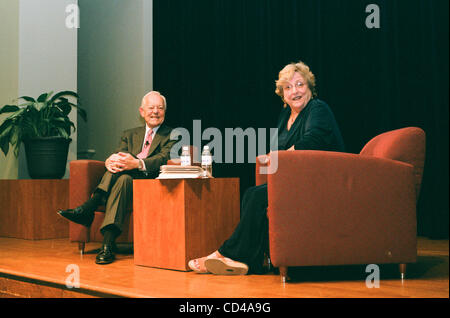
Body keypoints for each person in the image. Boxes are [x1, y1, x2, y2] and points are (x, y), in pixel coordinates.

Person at [188, 61, 346, 275]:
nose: (295, 91)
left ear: (310, 88)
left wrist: (281, 157)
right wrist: (272, 158)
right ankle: (247, 261)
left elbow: (314, 140)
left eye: (300, 84)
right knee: (252, 193)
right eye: (288, 88)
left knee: (257, 196)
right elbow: (276, 149)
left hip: (323, 181)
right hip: (296, 180)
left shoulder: (318, 108)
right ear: (282, 94)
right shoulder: (285, 117)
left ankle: (228, 254)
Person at [58, 91, 177, 265]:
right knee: (122, 179)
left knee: (122, 174)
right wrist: (110, 161)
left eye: (160, 108)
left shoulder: (173, 134)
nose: (155, 111)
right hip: (126, 181)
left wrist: (136, 164)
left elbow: (163, 158)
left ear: (165, 112)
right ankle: (107, 245)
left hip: (149, 182)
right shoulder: (129, 134)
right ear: (142, 112)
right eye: (151, 107)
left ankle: (89, 207)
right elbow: (119, 155)